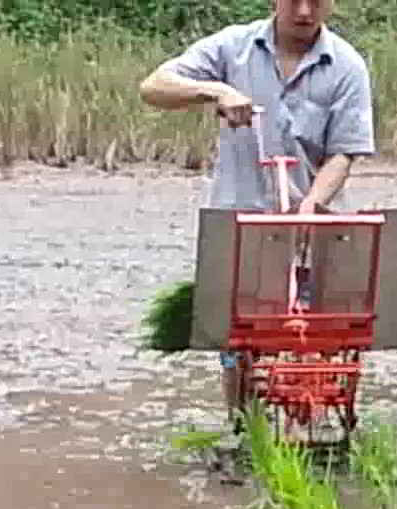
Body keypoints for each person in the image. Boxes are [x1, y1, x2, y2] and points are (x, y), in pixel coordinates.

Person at [139, 0, 376, 430]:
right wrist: (216, 90)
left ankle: (318, 413)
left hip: (311, 223)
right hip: (239, 220)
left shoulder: (346, 66)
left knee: (319, 331)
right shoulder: (233, 48)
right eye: (293, 1)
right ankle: (241, 426)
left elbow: (344, 151)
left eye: (316, 2)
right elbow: (154, 86)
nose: (304, 12)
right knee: (239, 337)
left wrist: (311, 206)